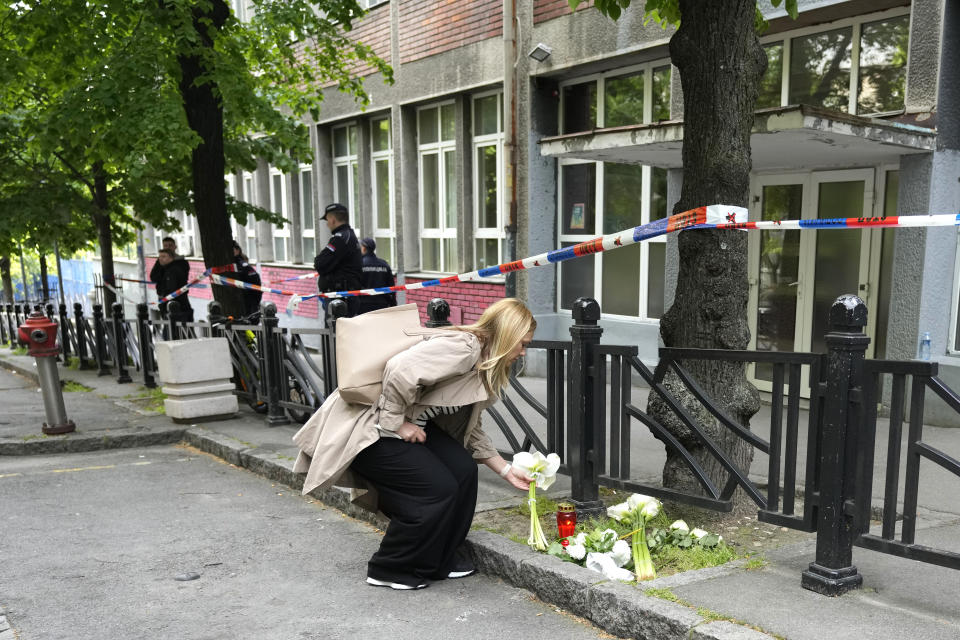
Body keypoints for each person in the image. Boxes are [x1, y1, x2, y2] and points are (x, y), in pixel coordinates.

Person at [292, 298, 536, 590]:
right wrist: (396, 422)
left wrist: (505, 470)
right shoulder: (464, 348)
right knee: (436, 488)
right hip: (371, 429)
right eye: (522, 343)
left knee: (463, 470)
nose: (522, 352)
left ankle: (441, 557)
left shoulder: (483, 362)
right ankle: (390, 567)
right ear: (507, 335)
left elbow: (471, 427)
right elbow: (400, 369)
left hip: (407, 428)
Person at [314, 203, 362, 321]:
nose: (327, 224)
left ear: (333, 219)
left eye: (327, 220)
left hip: (340, 299)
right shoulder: (348, 236)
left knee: (335, 336)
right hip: (343, 297)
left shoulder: (341, 238)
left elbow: (320, 263)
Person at [356, 237, 397, 315]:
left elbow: (355, 285)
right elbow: (391, 286)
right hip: (381, 304)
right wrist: (393, 304)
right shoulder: (384, 264)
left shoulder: (359, 265)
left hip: (363, 304)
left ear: (363, 248)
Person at [151, 248, 193, 321]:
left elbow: (172, 289)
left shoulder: (174, 270)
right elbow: (153, 277)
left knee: (174, 329)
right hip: (167, 304)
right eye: (159, 257)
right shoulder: (163, 268)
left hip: (176, 306)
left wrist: (166, 301)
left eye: (164, 256)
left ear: (171, 258)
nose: (160, 259)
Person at [226, 240, 262, 317]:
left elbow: (256, 282)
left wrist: (254, 302)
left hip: (247, 305)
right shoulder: (237, 265)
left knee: (248, 326)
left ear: (237, 250)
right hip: (247, 304)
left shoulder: (242, 266)